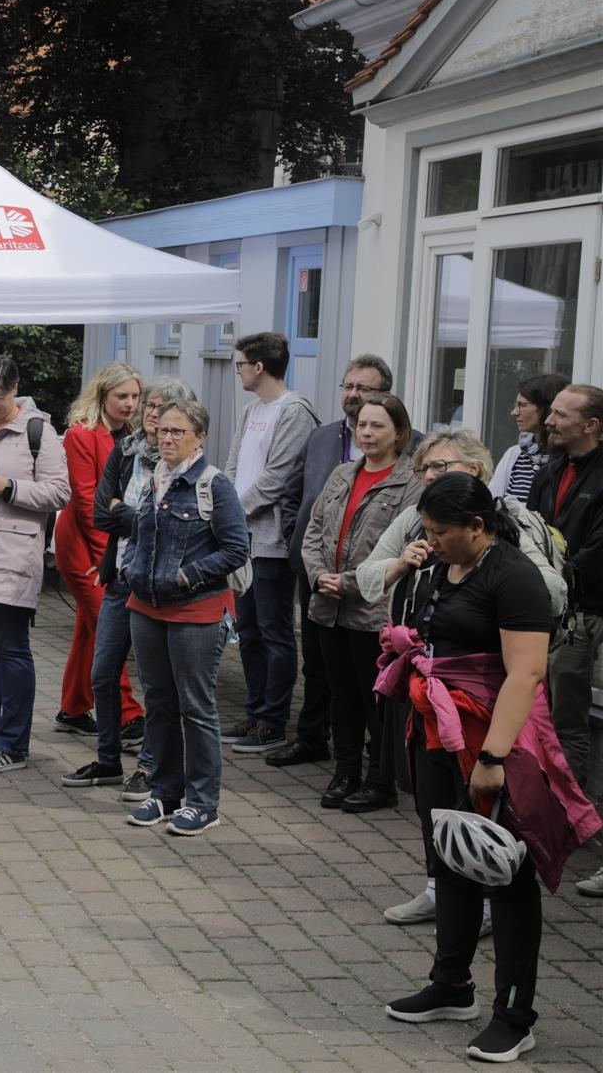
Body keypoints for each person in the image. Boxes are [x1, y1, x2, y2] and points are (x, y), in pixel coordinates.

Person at [379, 473, 598, 1065]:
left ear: (478, 527)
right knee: (449, 855)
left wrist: (493, 759)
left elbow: (525, 675)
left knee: (505, 871)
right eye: (426, 530)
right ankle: (451, 985)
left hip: (492, 735)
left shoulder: (514, 577)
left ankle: (514, 1015)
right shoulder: (437, 568)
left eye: (441, 532)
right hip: (437, 728)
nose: (432, 540)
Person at [357, 429, 566, 930]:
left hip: (484, 702)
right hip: (427, 693)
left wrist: (493, 755)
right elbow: (365, 578)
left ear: (474, 473)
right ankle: (439, 890)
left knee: (485, 807)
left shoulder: (508, 539)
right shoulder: (422, 527)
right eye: (425, 468)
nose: (431, 476)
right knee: (434, 808)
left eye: (442, 467)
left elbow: (546, 606)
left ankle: (493, 899)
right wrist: (398, 570)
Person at [265, 354, 402, 769]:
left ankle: (372, 756)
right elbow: (294, 493)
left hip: (371, 581)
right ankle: (312, 738)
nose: (354, 395)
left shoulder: (401, 455)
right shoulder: (323, 436)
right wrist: (297, 540)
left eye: (365, 388)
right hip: (316, 570)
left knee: (362, 671)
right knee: (318, 663)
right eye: (349, 386)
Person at [120, 401, 250, 836]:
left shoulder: (216, 485)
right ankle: (164, 793)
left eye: (178, 432)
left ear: (200, 437)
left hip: (196, 611)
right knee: (158, 704)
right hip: (146, 606)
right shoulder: (154, 479)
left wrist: (184, 576)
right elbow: (137, 535)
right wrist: (131, 569)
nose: (168, 438)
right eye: (163, 431)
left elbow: (235, 550)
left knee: (195, 707)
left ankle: (202, 803)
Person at [62, 377, 196, 798]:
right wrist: (136, 516)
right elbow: (102, 514)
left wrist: (131, 513)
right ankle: (107, 760)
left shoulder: (187, 463)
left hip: (161, 587)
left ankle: (150, 768)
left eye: (164, 408)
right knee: (103, 674)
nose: (153, 414)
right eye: (150, 405)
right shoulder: (126, 451)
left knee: (157, 686)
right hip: (121, 578)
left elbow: (176, 524)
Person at [300, 393, 422, 814]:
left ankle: (379, 780)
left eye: (377, 426)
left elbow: (402, 548)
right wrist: (318, 575)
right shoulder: (340, 475)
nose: (366, 433)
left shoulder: (411, 484)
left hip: (373, 611)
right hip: (328, 606)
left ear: (399, 433)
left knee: (376, 700)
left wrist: (350, 583)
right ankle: (346, 771)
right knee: (341, 694)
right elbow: (314, 528)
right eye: (361, 426)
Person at [0, 355, 70, 774]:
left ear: (16, 389)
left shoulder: (40, 433)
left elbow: (60, 493)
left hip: (16, 555)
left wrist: (8, 487)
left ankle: (13, 742)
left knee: (13, 649)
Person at [223, 332, 320, 753]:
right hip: (241, 539)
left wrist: (232, 513)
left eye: (241, 363)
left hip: (271, 543)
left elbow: (278, 477)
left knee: (275, 631)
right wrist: (223, 508)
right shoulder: (250, 410)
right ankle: (255, 710)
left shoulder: (294, 411)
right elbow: (231, 464)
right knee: (247, 628)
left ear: (259, 367)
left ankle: (274, 721)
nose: (238, 370)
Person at [53, 361, 143, 736]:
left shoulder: (133, 438)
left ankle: (73, 709)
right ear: (103, 396)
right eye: (122, 396)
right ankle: (127, 714)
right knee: (108, 627)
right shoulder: (81, 435)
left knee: (89, 630)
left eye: (135, 396)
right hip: (84, 547)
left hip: (111, 546)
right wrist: (104, 559)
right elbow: (88, 500)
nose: (130, 403)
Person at [528, 384, 603, 788]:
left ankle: (566, 811)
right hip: (538, 606)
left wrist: (554, 581)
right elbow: (528, 530)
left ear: (590, 425)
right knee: (533, 705)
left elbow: (596, 554)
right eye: (550, 411)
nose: (549, 421)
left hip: (580, 612)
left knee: (565, 716)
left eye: (560, 415)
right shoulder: (550, 468)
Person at [489, 372, 569, 502]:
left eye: (523, 405)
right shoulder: (515, 454)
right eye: (516, 406)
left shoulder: (569, 459)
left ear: (548, 408)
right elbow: (492, 502)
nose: (514, 413)